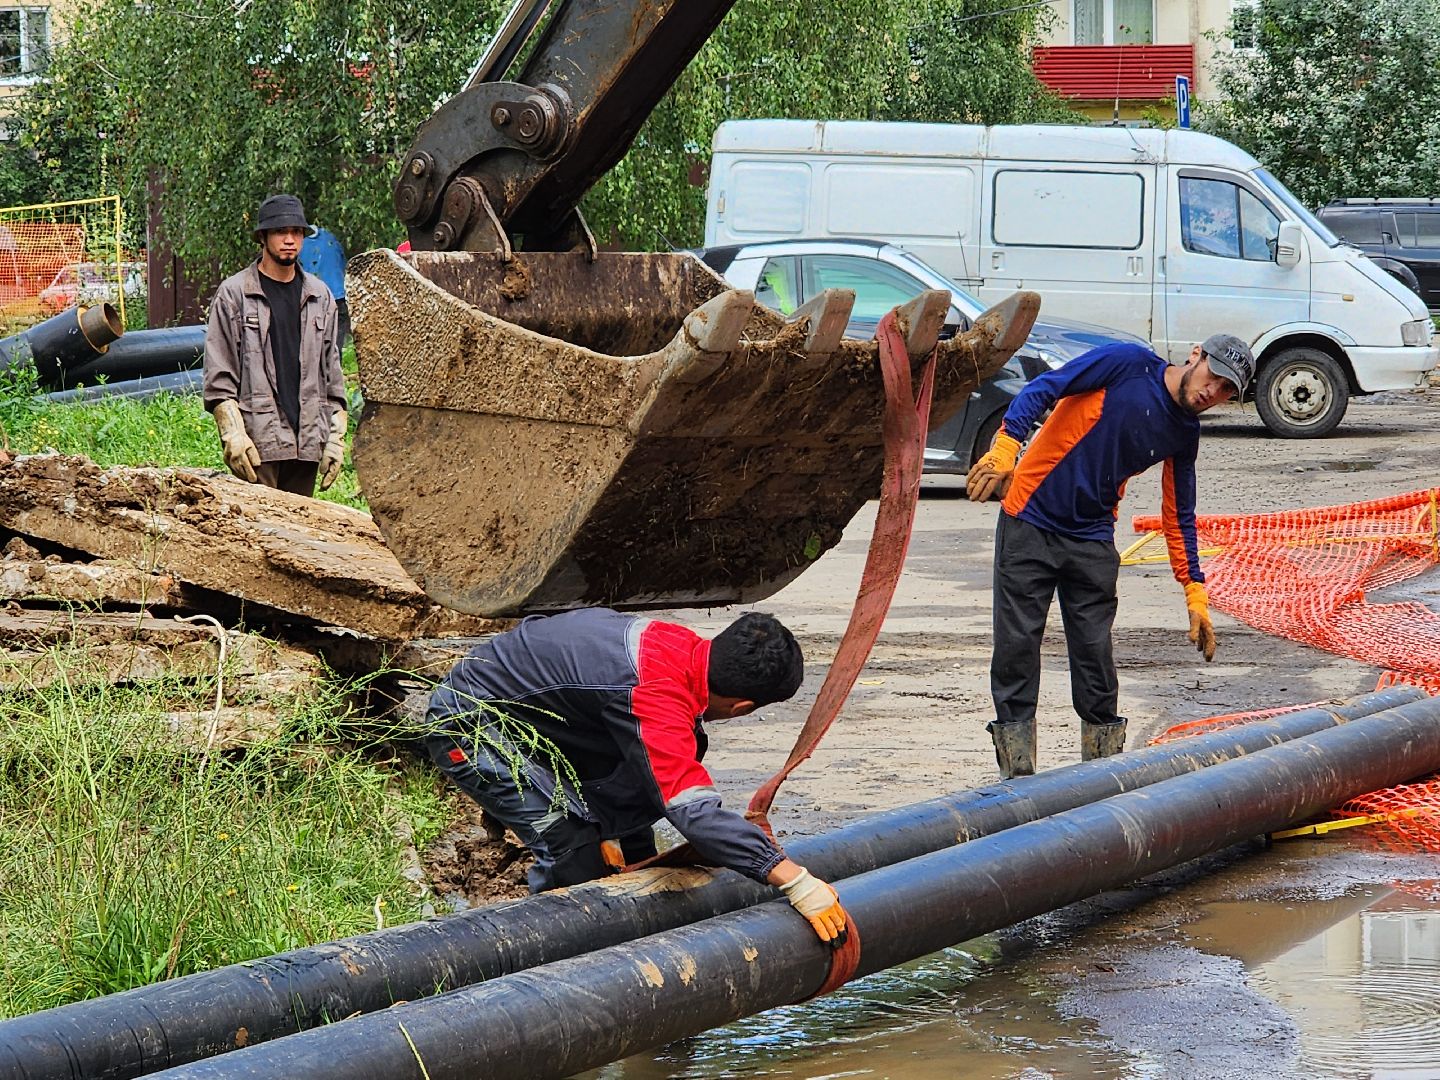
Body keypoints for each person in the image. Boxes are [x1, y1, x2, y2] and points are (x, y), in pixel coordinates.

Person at [422, 608, 848, 946]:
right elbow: (695, 815)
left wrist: (622, 837)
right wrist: (795, 881)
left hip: (537, 712)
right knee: (571, 849)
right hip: (472, 723)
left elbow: (644, 768)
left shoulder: (681, 648)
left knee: (674, 756)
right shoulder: (654, 694)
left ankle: (616, 870)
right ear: (741, 707)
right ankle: (550, 963)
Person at [966, 334, 1256, 779]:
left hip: (1092, 538)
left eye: (1225, 392)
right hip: (1030, 518)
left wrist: (1194, 589)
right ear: (1196, 355)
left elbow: (1178, 513)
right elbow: (1044, 388)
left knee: (1095, 655)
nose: (1211, 393)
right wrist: (1006, 448)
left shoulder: (1184, 433)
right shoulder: (1127, 364)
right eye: (1213, 378)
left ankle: (1101, 777)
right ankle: (1017, 778)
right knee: (1016, 647)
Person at [203, 194, 347, 497]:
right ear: (263, 237)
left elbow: (332, 373)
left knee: (298, 537)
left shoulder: (320, 297)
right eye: (281, 232)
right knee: (257, 537)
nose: (290, 240)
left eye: (296, 232)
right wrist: (232, 432)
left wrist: (336, 437)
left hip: (307, 443)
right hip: (258, 445)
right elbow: (219, 375)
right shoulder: (234, 295)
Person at [299, 225, 349, 346]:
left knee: (315, 348)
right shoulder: (330, 238)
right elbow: (344, 266)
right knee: (335, 347)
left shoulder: (298, 246)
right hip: (340, 297)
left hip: (317, 301)